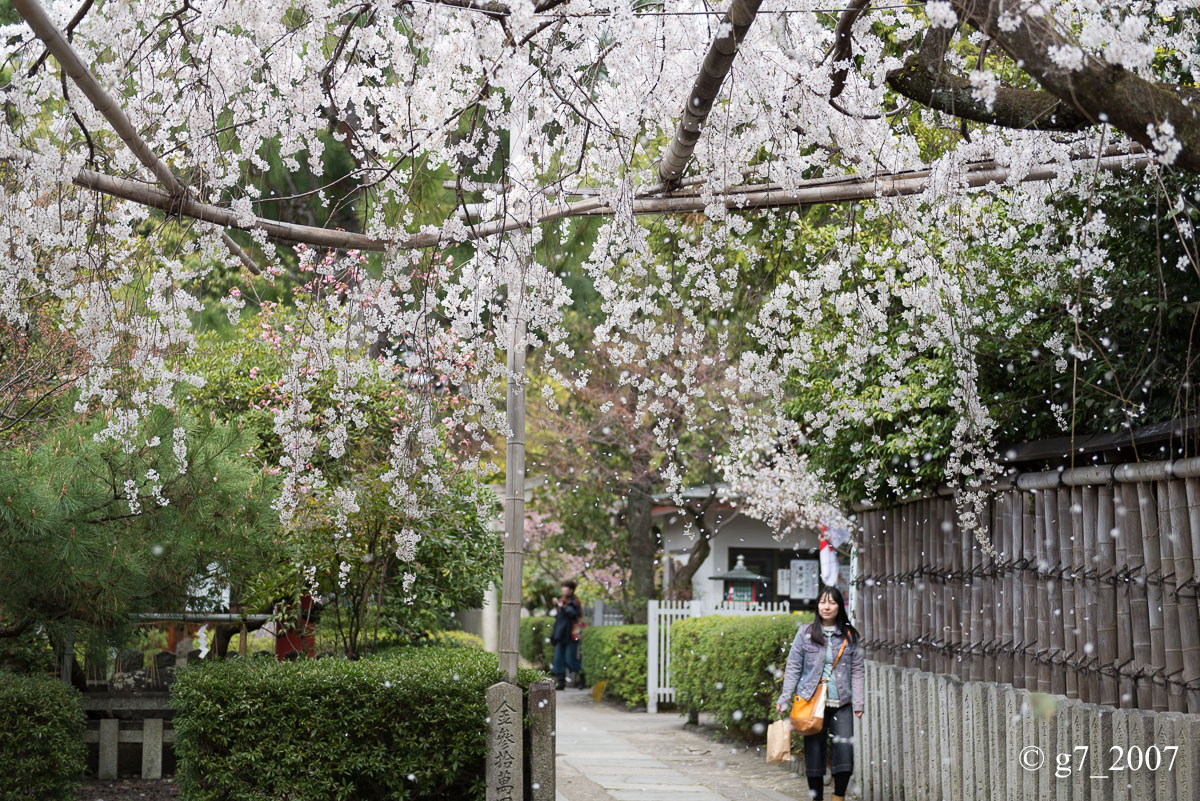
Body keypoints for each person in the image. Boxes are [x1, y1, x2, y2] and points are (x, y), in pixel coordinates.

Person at [776, 585, 865, 801]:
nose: (827, 607)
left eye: (832, 602)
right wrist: (785, 697)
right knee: (814, 754)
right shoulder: (805, 633)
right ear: (817, 605)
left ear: (839, 607)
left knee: (845, 756)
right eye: (823, 602)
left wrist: (859, 702)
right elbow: (794, 666)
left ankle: (838, 796)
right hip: (810, 703)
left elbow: (857, 670)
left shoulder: (849, 635)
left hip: (842, 702)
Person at [549, 580, 583, 690]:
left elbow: (572, 613)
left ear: (571, 590)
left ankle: (582, 678)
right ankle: (561, 682)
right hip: (561, 634)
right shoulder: (562, 601)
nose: (563, 590)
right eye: (563, 587)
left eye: (566, 588)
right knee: (558, 659)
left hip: (572, 634)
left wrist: (561, 605)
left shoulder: (575, 601)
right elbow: (558, 617)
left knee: (570, 659)